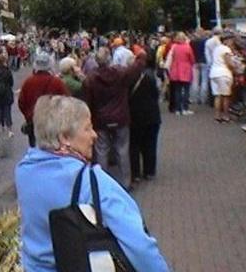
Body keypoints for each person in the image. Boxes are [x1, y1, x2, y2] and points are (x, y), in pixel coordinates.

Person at [15, 95, 170, 272]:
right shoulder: (91, 180)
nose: (94, 135)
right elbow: (139, 246)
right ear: (65, 137)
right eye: (87, 128)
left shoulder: (24, 171)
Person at [82, 46, 145, 190]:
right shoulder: (120, 74)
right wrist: (141, 54)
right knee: (122, 150)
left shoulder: (90, 79)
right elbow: (136, 68)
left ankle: (103, 185)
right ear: (110, 59)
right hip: (120, 117)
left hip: (100, 120)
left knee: (101, 151)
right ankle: (125, 183)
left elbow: (88, 101)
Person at [18, 52, 69, 148]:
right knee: (53, 148)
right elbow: (66, 100)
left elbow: (21, 102)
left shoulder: (28, 82)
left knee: (34, 148)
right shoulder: (57, 82)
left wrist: (28, 115)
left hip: (34, 120)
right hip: (53, 122)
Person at [129, 50, 161, 182]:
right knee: (151, 144)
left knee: (134, 145)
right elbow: (156, 95)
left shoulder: (129, 77)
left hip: (135, 115)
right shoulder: (151, 77)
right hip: (152, 115)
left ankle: (135, 173)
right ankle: (150, 171)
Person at [209, 31, 237, 122]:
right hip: (223, 73)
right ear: (226, 40)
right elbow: (229, 62)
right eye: (231, 40)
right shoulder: (226, 49)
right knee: (226, 96)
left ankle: (217, 115)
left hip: (214, 73)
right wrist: (235, 67)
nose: (232, 42)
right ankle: (226, 116)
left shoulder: (216, 49)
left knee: (217, 95)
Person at [166, 32, 196, 115]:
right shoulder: (188, 47)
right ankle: (185, 108)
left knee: (177, 90)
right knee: (186, 90)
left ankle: (178, 109)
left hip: (175, 69)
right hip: (186, 69)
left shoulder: (174, 47)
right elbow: (192, 59)